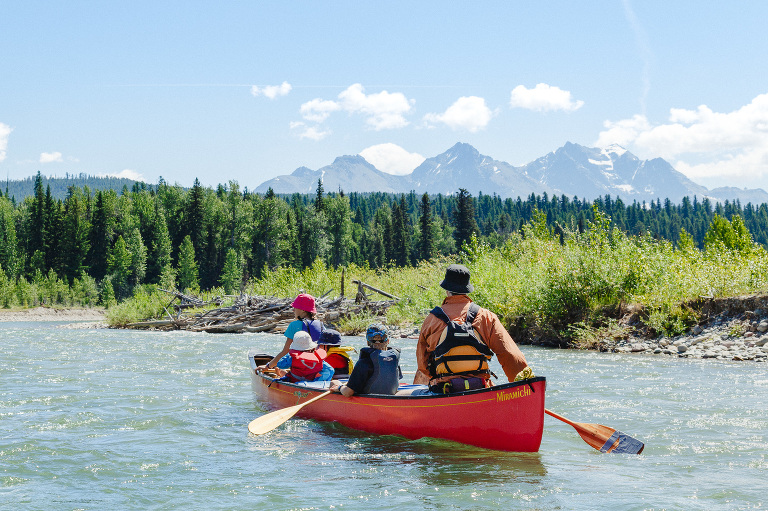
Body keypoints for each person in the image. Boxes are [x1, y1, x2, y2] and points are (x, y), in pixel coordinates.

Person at [414, 264, 530, 394]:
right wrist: (525, 388)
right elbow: (511, 355)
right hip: (480, 389)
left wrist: (436, 376)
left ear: (447, 290)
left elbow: (422, 365)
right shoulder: (486, 317)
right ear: (467, 289)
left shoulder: (431, 320)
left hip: (445, 390)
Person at [330, 324, 402, 397]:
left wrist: (339, 387)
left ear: (368, 342)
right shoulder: (393, 358)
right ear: (388, 341)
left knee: (334, 382)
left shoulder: (364, 361)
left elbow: (348, 393)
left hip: (370, 398)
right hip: (390, 395)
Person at [261, 293, 324, 371]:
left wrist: (268, 366)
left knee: (281, 369)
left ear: (303, 310)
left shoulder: (294, 325)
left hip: (301, 368)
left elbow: (285, 351)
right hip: (318, 367)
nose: (293, 310)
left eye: (295, 307)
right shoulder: (321, 325)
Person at [270, 331, 334, 383]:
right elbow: (330, 370)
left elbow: (280, 364)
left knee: (282, 370)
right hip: (312, 383)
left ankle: (280, 372)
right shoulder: (317, 357)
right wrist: (318, 382)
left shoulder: (292, 357)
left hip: (294, 382)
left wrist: (289, 354)